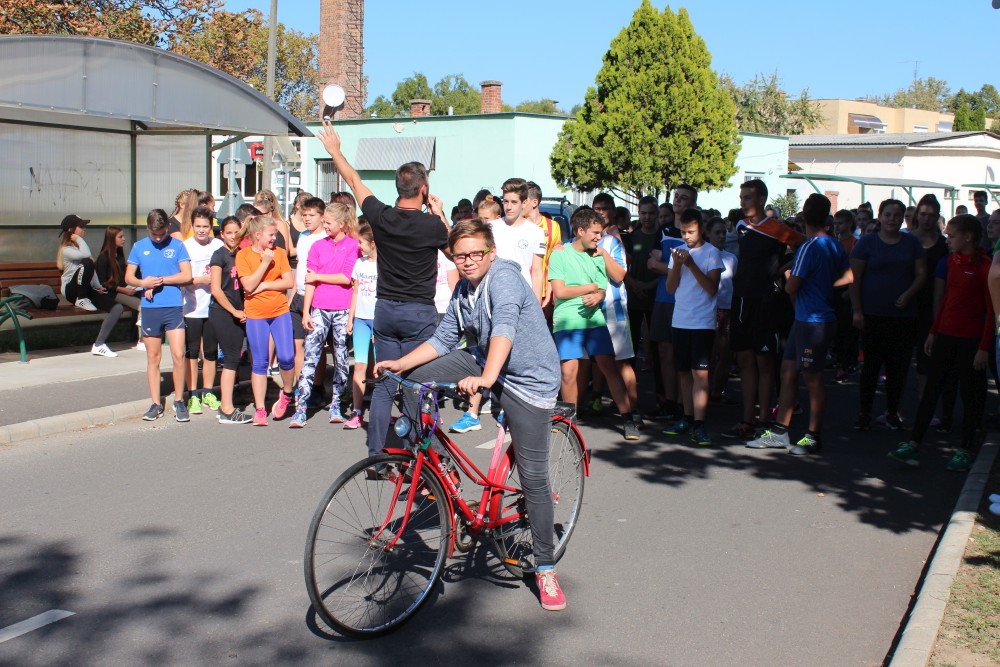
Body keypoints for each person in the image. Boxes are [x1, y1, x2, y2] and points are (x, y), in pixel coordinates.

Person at [374, 219, 567, 611]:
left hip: (528, 379)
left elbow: (504, 329)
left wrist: (486, 379)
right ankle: (441, 466)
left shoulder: (504, 279)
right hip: (485, 362)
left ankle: (546, 567)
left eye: (476, 253)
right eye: (459, 255)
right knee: (409, 382)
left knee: (533, 477)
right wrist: (401, 363)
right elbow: (444, 338)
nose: (467, 261)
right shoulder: (464, 289)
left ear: (491, 252)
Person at [316, 119, 449, 458]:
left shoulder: (381, 216)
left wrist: (334, 150)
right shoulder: (432, 225)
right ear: (423, 189)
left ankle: (376, 455)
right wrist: (440, 213)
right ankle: (419, 458)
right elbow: (454, 251)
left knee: (386, 384)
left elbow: (354, 180)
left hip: (386, 310)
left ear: (398, 187)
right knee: (416, 385)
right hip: (419, 312)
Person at [746, 194, 851, 454]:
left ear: (804, 216)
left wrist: (787, 274)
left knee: (812, 378)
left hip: (813, 323)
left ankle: (813, 436)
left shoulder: (809, 247)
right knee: (788, 371)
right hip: (806, 320)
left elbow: (792, 285)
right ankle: (780, 432)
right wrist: (827, 287)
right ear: (827, 217)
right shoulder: (834, 244)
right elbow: (848, 276)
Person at [890, 214, 992, 472]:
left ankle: (965, 448)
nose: (947, 240)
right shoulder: (951, 262)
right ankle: (914, 443)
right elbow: (947, 300)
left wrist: (984, 347)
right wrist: (934, 332)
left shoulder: (985, 267)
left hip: (970, 341)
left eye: (951, 236)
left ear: (968, 237)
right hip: (945, 335)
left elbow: (992, 312)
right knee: (931, 391)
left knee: (968, 395)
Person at [549, 207, 639, 440]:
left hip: (595, 320)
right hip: (568, 321)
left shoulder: (598, 255)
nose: (599, 237)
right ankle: (569, 421)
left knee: (609, 367)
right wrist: (589, 288)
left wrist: (598, 295)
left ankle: (628, 418)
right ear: (580, 231)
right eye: (595, 233)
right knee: (568, 371)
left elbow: (602, 288)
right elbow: (560, 291)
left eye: (600, 233)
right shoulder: (560, 254)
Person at [724, 179, 804, 441]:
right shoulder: (741, 225)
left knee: (765, 361)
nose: (742, 202)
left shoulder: (778, 228)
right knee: (745, 360)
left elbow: (803, 246)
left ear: (761, 199)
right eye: (741, 197)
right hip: (741, 297)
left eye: (747, 197)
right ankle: (747, 420)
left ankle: (762, 421)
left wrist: (781, 269)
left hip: (766, 301)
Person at [849, 199, 926, 430]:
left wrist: (909, 294)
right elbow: (854, 278)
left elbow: (921, 274)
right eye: (888, 214)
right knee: (871, 367)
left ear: (903, 218)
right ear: (880, 216)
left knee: (898, 368)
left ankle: (892, 412)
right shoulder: (867, 242)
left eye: (897, 215)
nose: (892, 219)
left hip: (902, 317)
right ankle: (864, 413)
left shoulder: (912, 243)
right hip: (872, 315)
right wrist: (857, 310)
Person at [289, 203, 360, 427]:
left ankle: (337, 404)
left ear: (342, 224)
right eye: (325, 222)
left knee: (341, 358)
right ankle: (301, 408)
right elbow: (309, 281)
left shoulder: (353, 246)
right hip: (319, 308)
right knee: (311, 356)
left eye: (329, 222)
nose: (325, 226)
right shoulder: (317, 246)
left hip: (342, 309)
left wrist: (319, 276)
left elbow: (346, 278)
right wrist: (306, 311)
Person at [659, 209, 724, 446]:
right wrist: (677, 264)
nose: (686, 236)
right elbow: (670, 288)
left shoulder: (712, 253)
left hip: (703, 323)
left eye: (691, 232)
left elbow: (712, 288)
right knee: (684, 373)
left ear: (701, 229)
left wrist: (691, 264)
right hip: (680, 320)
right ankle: (687, 418)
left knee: (701, 375)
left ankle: (700, 423)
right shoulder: (677, 252)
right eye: (683, 232)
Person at [126, 209, 192, 421]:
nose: (158, 238)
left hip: (173, 307)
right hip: (151, 308)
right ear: (148, 229)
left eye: (162, 234)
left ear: (167, 228)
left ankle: (179, 400)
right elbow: (129, 277)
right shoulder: (139, 247)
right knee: (153, 357)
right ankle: (155, 403)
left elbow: (187, 275)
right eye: (154, 234)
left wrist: (161, 280)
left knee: (178, 354)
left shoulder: (177, 245)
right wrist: (143, 282)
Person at [235, 215, 296, 426]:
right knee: (260, 362)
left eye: (275, 234)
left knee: (287, 357)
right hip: (256, 315)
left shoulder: (280, 253)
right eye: (271, 234)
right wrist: (265, 263)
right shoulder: (243, 255)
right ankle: (260, 409)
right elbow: (248, 285)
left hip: (280, 311)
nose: (274, 238)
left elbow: (288, 282)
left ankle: (287, 393)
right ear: (257, 235)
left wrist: (265, 285)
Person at [209, 216, 253, 424]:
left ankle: (230, 403)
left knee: (236, 358)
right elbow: (216, 289)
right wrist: (234, 311)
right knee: (231, 358)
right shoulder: (219, 255)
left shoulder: (243, 254)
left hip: (241, 312)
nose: (233, 236)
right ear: (221, 234)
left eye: (237, 232)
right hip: (223, 312)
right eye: (229, 232)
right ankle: (226, 409)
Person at [911, 194, 950, 426]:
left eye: (931, 215)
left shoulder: (944, 245)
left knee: (928, 360)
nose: (926, 218)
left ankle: (926, 408)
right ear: (917, 215)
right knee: (901, 360)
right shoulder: (907, 240)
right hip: (907, 304)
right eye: (923, 214)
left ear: (937, 217)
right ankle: (896, 410)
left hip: (933, 306)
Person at [181, 207, 224, 415]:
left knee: (210, 352)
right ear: (192, 226)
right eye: (198, 226)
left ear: (211, 227)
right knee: (191, 353)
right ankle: (193, 394)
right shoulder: (185, 247)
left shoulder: (218, 245)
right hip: (191, 308)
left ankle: (208, 392)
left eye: (205, 226)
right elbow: (179, 278)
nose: (201, 230)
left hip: (213, 308)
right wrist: (200, 280)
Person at [289, 197, 328, 388]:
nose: (307, 219)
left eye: (311, 215)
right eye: (304, 215)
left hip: (317, 296)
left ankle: (317, 387)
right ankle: (301, 386)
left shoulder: (325, 238)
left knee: (315, 346)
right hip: (299, 295)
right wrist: (292, 296)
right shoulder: (303, 236)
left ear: (322, 216)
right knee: (297, 344)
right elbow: (300, 267)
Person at [345, 222, 378, 430]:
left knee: (378, 369)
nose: (358, 246)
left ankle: (380, 411)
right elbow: (355, 291)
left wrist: (382, 324)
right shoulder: (360, 263)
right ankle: (357, 412)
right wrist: (351, 318)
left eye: (361, 242)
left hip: (378, 321)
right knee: (359, 365)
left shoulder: (384, 265)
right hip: (361, 320)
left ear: (372, 243)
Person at [625, 197, 662, 381]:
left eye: (651, 213)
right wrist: (634, 285)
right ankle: (629, 389)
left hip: (656, 296)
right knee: (631, 346)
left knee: (657, 347)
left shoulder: (661, 237)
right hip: (634, 297)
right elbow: (623, 266)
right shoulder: (632, 237)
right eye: (643, 213)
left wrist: (649, 285)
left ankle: (660, 392)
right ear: (638, 214)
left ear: (657, 214)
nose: (647, 217)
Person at [706, 218, 738, 404]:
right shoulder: (702, 255)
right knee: (709, 355)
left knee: (726, 355)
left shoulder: (731, 258)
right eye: (717, 232)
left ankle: (717, 392)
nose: (721, 236)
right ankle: (703, 391)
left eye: (724, 232)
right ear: (708, 234)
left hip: (727, 309)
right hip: (709, 309)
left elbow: (734, 284)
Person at [95, 226, 142, 348]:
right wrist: (124, 290)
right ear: (112, 238)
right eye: (120, 237)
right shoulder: (103, 257)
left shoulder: (119, 255)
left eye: (124, 236)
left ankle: (137, 336)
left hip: (124, 289)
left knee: (147, 301)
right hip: (113, 293)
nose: (124, 239)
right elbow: (103, 283)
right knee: (143, 306)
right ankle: (142, 340)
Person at [832, 210, 859, 383]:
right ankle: (839, 359)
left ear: (849, 224)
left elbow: (855, 270)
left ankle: (848, 362)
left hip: (847, 288)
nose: (837, 226)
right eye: (835, 223)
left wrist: (850, 291)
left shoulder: (855, 243)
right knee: (837, 329)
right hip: (834, 288)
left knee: (847, 329)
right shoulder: (834, 242)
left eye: (840, 223)